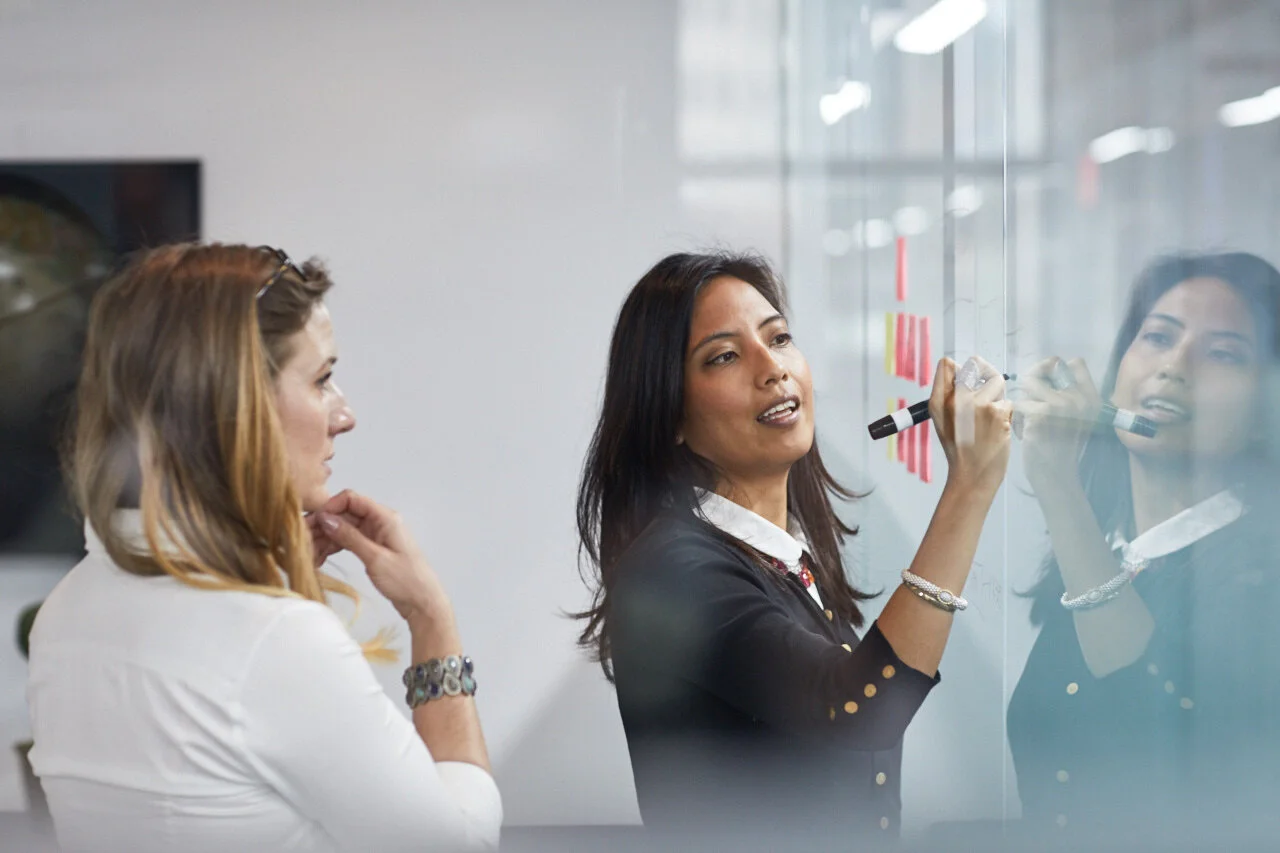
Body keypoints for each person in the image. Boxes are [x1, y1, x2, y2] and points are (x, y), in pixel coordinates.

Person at [25, 243, 501, 852]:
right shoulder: (272, 640)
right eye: (322, 380)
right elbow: (461, 846)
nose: (345, 414)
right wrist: (433, 621)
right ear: (236, 403)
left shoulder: (67, 612)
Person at [574, 251, 1012, 846]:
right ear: (670, 413)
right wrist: (970, 485)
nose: (771, 368)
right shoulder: (674, 569)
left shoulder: (780, 558)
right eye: (724, 356)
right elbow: (863, 706)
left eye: (779, 338)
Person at [1008, 252, 1280, 845]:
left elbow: (1139, 738)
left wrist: (1058, 482)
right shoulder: (1112, 552)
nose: (1175, 367)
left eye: (1223, 353)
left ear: (1265, 409)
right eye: (1157, 336)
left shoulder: (1265, 579)